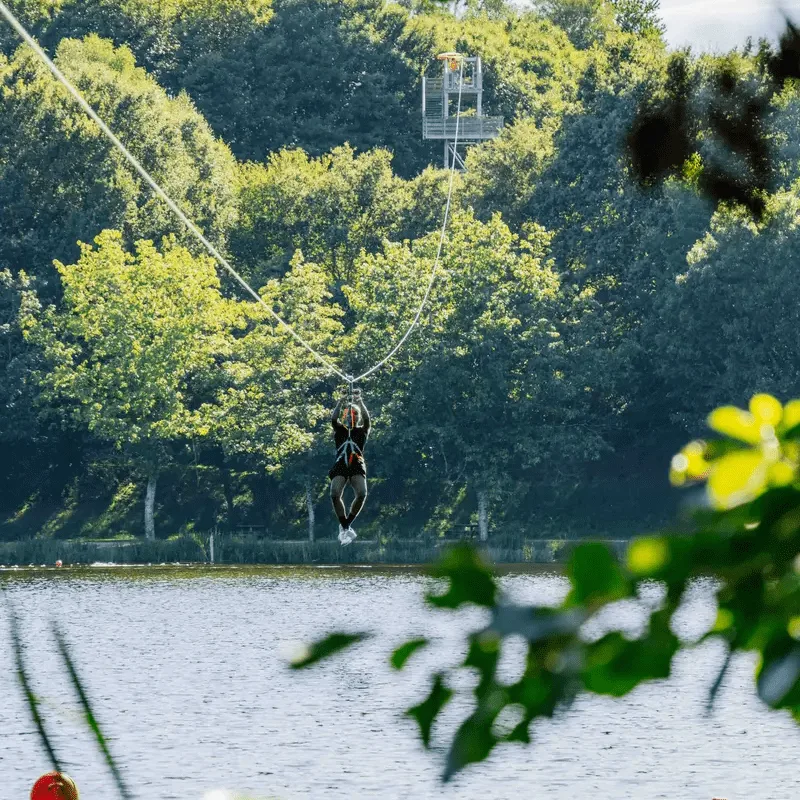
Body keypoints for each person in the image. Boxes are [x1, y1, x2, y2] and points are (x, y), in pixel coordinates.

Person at [329, 388, 370, 545]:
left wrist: (359, 401)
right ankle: (345, 527)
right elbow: (333, 419)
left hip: (356, 464)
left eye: (354, 415)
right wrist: (341, 401)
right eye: (348, 415)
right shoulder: (340, 430)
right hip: (341, 463)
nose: (350, 418)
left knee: (361, 493)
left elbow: (367, 420)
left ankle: (346, 525)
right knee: (334, 493)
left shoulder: (362, 431)